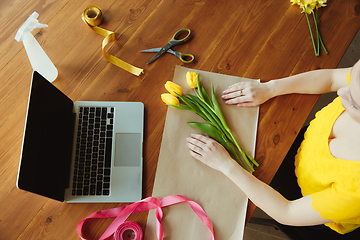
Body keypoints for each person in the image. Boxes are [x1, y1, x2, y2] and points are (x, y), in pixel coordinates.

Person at [186, 60, 360, 237]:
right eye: (352, 76)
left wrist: (225, 164)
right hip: (303, 147)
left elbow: (287, 212)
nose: (341, 92)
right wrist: (271, 88)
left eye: (353, 103)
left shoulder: (357, 191)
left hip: (299, 198)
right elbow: (331, 79)